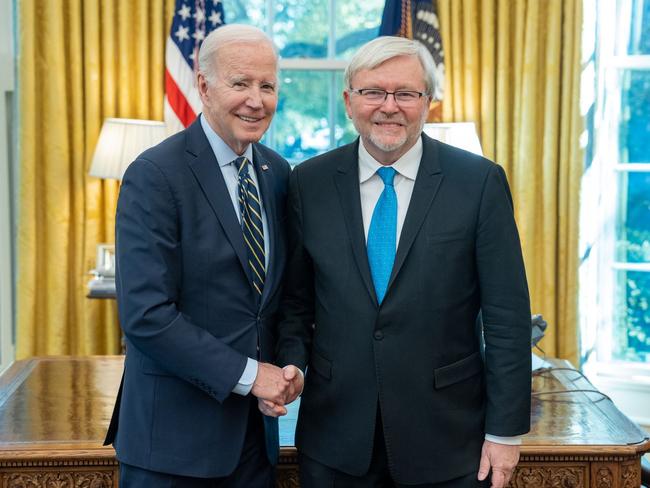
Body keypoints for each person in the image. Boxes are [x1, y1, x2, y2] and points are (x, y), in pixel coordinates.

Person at [272, 36, 532, 488]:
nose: (388, 107)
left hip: (448, 440)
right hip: (334, 440)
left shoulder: (479, 183)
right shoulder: (307, 183)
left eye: (406, 93)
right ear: (349, 100)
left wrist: (505, 431)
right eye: (373, 92)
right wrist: (292, 362)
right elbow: (297, 302)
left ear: (427, 102)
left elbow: (507, 318)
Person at [104, 24, 301, 487]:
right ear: (204, 85)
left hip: (255, 443)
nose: (256, 99)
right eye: (241, 83)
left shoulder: (277, 173)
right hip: (172, 449)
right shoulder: (155, 174)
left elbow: (285, 297)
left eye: (267, 86)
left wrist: (291, 367)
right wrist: (252, 376)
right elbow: (147, 316)